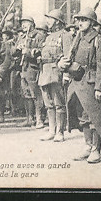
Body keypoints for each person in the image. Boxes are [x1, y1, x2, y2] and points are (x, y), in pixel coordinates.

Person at [58, 8, 101, 164]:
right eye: (79, 20)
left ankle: (96, 150)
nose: (80, 23)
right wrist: (62, 64)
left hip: (92, 83)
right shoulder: (77, 39)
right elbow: (68, 58)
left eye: (84, 20)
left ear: (92, 23)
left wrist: (100, 87)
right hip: (77, 82)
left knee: (95, 118)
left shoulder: (99, 40)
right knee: (83, 117)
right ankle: (88, 146)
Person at [39, 9, 72, 142]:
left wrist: (66, 75)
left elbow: (68, 56)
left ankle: (60, 132)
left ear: (57, 21)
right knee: (49, 104)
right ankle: (51, 130)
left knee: (59, 104)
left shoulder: (65, 35)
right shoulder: (48, 37)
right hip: (45, 72)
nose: (47, 21)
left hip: (56, 73)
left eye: (50, 18)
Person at [14, 16, 45, 129]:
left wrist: (30, 52)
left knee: (36, 94)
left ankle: (39, 119)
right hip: (23, 68)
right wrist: (18, 49)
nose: (23, 25)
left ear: (32, 23)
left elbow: (42, 50)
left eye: (26, 23)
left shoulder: (39, 36)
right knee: (26, 94)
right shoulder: (21, 36)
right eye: (22, 23)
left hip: (33, 68)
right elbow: (13, 52)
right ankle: (29, 118)